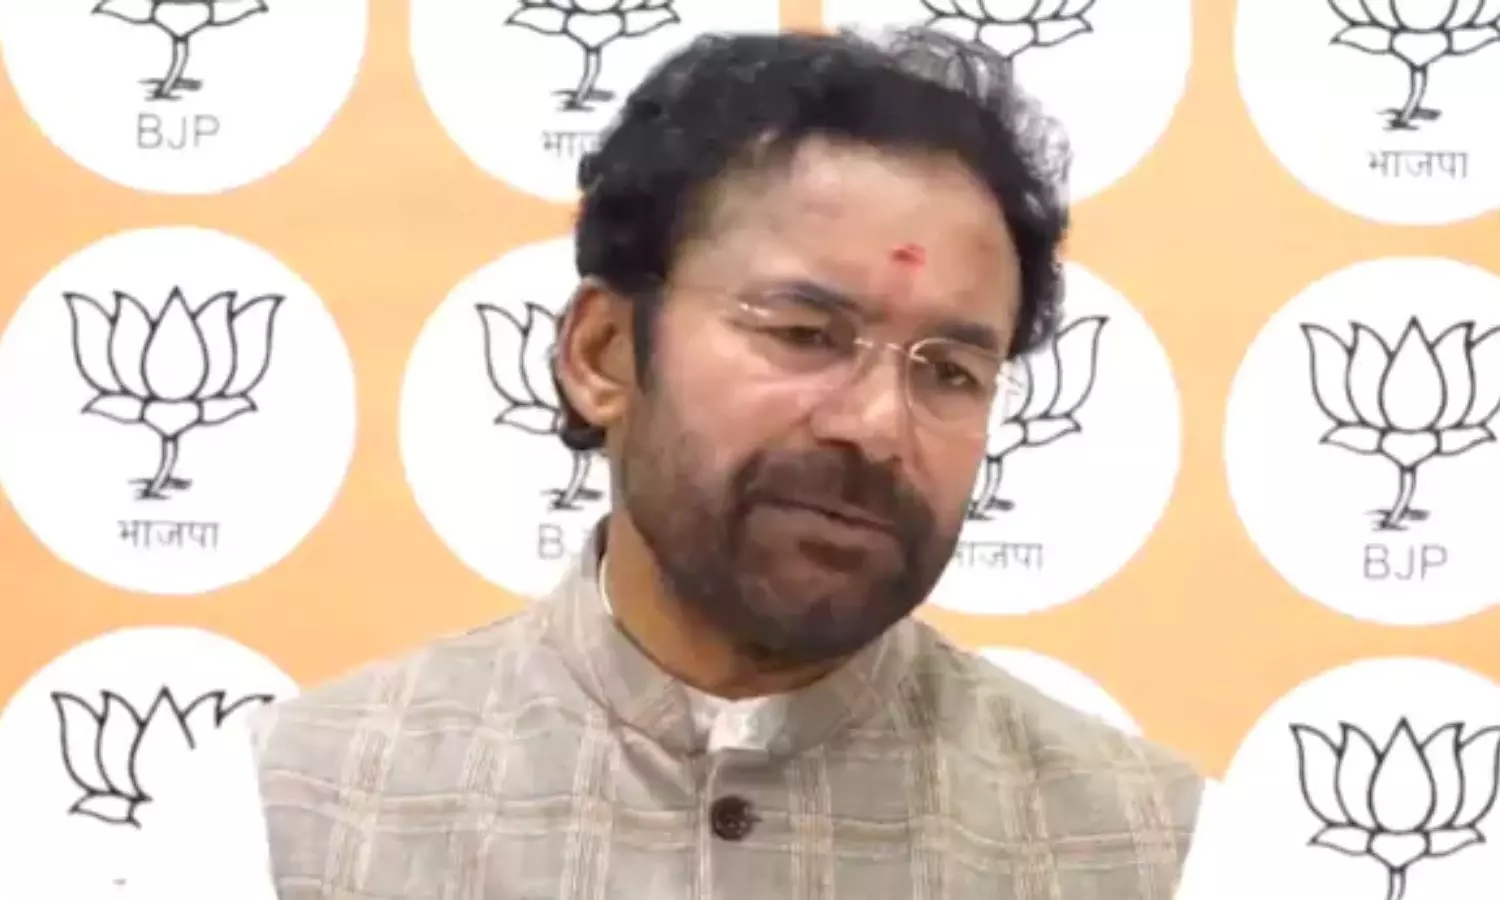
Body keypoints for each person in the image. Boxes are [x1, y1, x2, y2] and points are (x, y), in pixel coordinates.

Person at [132, 24, 1212, 899]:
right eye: (806, 333)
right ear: (604, 353)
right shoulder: (296, 814)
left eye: (951, 371)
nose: (879, 427)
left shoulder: (1154, 848)